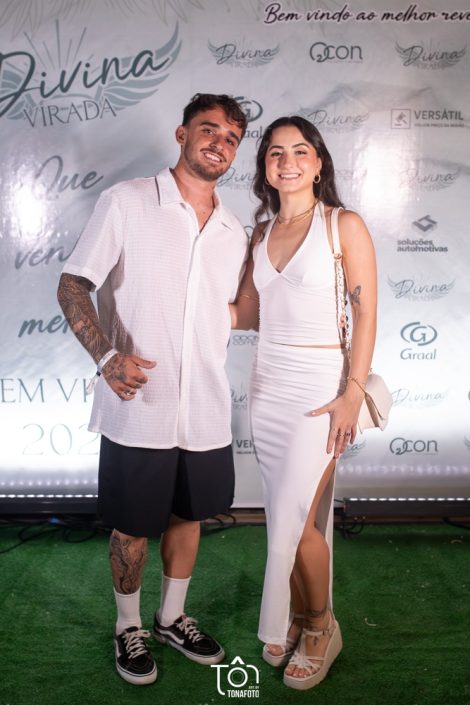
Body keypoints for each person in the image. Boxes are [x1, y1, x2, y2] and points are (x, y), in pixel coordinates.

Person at [57, 93, 248, 686]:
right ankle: (128, 627)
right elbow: (72, 284)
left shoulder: (234, 229)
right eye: (208, 129)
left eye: (232, 137)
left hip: (206, 406)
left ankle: (171, 618)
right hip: (140, 404)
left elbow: (232, 311)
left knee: (189, 516)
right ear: (182, 134)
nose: (219, 143)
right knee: (133, 523)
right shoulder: (128, 201)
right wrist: (106, 357)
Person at [230, 116, 377, 690]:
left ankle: (320, 626)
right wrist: (183, 307)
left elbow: (365, 314)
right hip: (267, 389)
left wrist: (352, 395)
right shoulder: (260, 233)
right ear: (265, 167)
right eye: (275, 153)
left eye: (299, 152)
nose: (286, 162)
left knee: (292, 522)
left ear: (318, 163)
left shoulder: (344, 224)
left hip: (320, 392)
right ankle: (299, 615)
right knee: (286, 518)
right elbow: (247, 313)